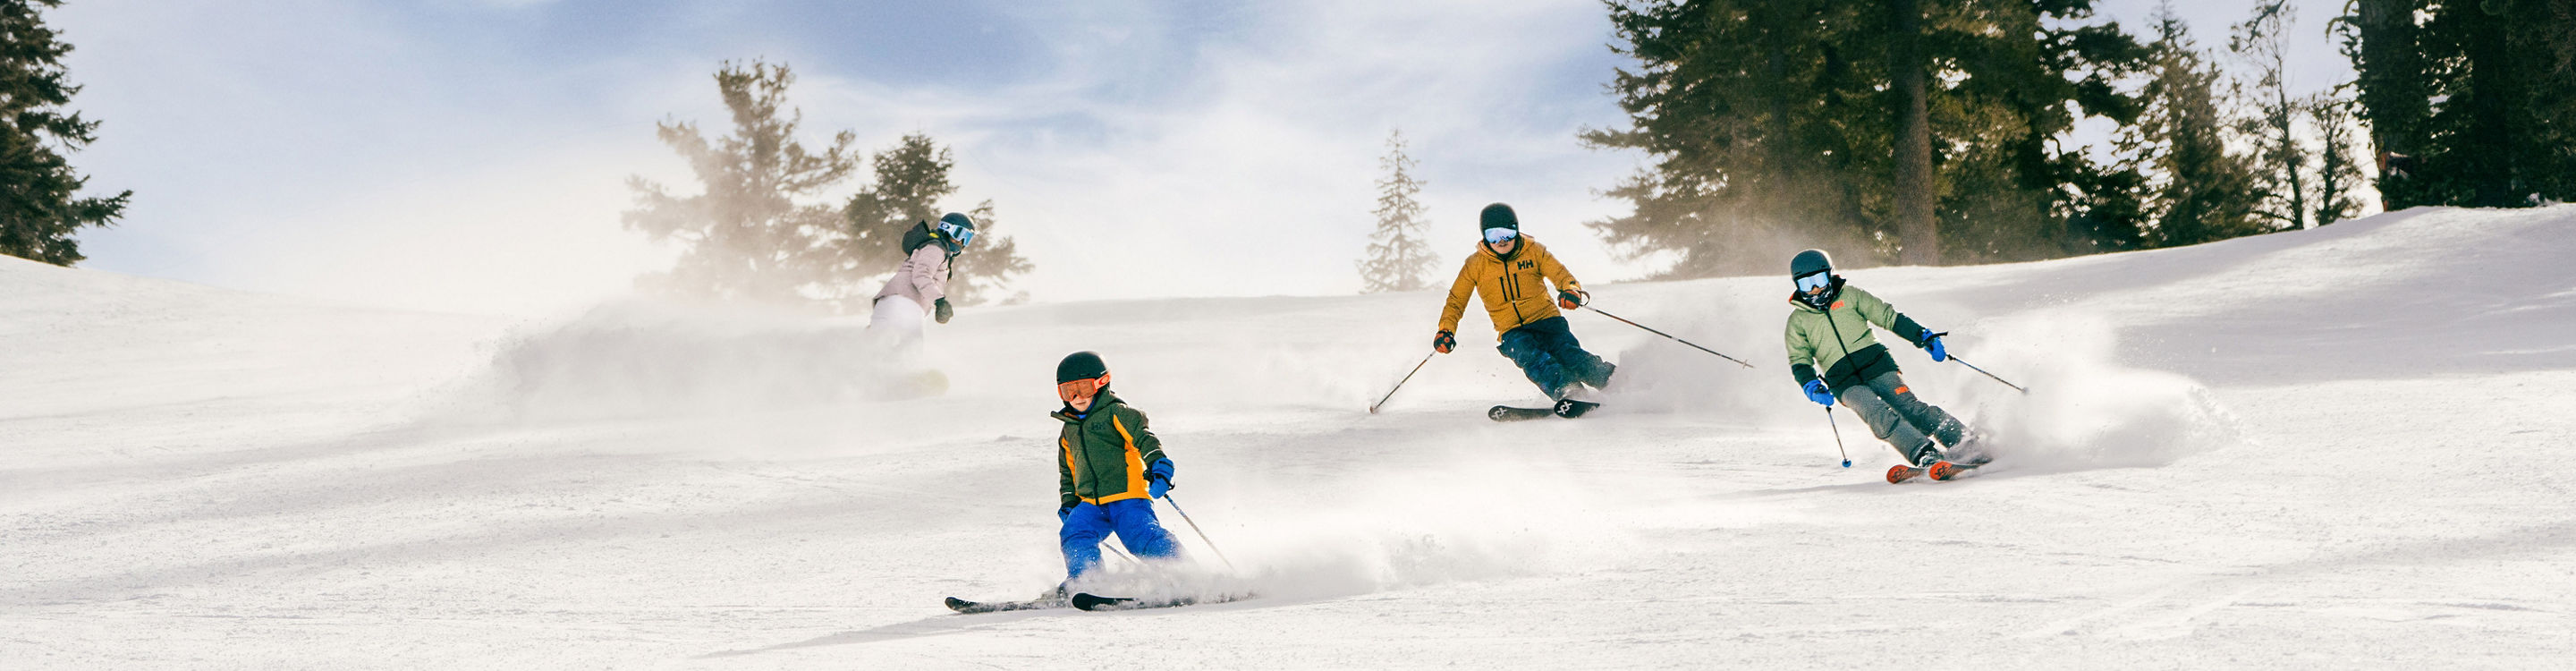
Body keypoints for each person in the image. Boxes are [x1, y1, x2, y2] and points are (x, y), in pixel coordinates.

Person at [1780, 249, 1983, 475]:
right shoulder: (1798, 321)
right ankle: (1925, 454)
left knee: (1910, 408)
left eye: (1818, 280)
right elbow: (1799, 359)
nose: (1815, 289)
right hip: (1843, 382)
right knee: (1877, 414)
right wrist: (1810, 384)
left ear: (1830, 275)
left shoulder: (1851, 296)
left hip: (1877, 364)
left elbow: (1888, 316)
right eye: (1807, 284)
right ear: (1797, 286)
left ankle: (1964, 441)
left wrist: (1921, 335)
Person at [1432, 203, 1615, 404]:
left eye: (1507, 233)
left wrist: (1571, 291)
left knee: (1570, 356)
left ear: (1516, 230)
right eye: (1493, 235)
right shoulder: (1475, 265)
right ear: (1484, 236)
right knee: (1531, 357)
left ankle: (1613, 380)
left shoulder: (1534, 252)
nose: (1501, 241)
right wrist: (1446, 330)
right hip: (1512, 331)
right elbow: (1456, 301)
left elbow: (1561, 275)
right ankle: (1568, 391)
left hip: (1547, 321)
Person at [1050, 351, 1182, 591]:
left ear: (1101, 384)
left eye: (1084, 388)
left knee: (1141, 537)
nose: (1077, 397)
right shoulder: (1068, 431)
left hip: (1127, 496)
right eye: (1069, 391)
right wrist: (1069, 502)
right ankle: (1088, 581)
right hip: (1091, 502)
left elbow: (1143, 438)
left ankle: (1184, 574)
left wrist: (1157, 464)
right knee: (1074, 535)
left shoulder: (1117, 413)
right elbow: (1068, 472)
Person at [867, 212, 977, 350]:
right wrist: (939, 301)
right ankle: (906, 369)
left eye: (967, 238)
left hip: (889, 302)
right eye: (959, 234)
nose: (961, 242)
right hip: (906, 303)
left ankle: (857, 362)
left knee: (875, 348)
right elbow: (921, 275)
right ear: (946, 228)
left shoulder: (933, 248)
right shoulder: (936, 248)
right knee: (911, 350)